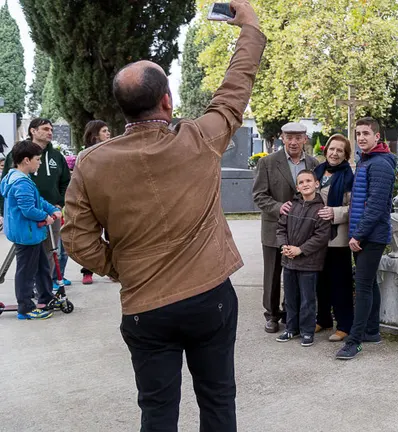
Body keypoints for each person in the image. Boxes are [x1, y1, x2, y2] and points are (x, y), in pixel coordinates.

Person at [61, 1, 265, 430]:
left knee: (156, 411)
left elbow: (76, 238)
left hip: (145, 307)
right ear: (167, 101)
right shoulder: (199, 138)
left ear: (123, 108)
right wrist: (250, 28)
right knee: (218, 401)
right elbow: (233, 93)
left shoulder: (92, 163)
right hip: (209, 297)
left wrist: (121, 266)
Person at [336, 117, 396, 360]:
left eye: (366, 134)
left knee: (361, 287)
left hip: (371, 235)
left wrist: (358, 235)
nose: (361, 137)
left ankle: (355, 340)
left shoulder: (380, 164)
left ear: (377, 136)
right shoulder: (366, 160)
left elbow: (376, 205)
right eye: (358, 133)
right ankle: (371, 331)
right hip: (363, 234)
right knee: (369, 284)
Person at [253, 122, 319, 333]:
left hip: (303, 231)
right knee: (273, 274)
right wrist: (279, 207)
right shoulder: (268, 163)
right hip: (275, 228)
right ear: (282, 138)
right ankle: (272, 315)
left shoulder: (313, 163)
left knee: (297, 273)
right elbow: (259, 195)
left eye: (298, 137)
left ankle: (291, 313)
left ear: (305, 139)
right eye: (289, 137)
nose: (293, 141)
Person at [1, 118, 71, 286]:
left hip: (50, 211)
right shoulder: (17, 154)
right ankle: (29, 289)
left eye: (51, 129)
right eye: (45, 128)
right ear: (33, 130)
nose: (50, 132)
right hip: (25, 215)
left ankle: (47, 286)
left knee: (50, 252)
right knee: (28, 254)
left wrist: (58, 204)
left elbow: (65, 182)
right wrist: (2, 212)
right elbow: (5, 183)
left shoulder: (56, 156)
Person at [0, 140, 62, 320]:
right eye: (38, 159)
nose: (40, 163)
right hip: (27, 234)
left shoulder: (16, 177)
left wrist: (52, 209)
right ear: (26, 160)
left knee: (42, 266)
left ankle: (46, 296)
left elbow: (37, 201)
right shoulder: (21, 183)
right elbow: (29, 209)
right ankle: (25, 307)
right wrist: (45, 217)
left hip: (31, 234)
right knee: (26, 272)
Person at [274, 169, 331, 347]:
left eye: (308, 181)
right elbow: (281, 228)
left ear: (316, 184)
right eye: (301, 182)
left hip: (309, 263)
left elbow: (321, 237)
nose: (305, 184)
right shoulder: (292, 206)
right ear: (297, 187)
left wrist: (300, 249)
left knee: (307, 299)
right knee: (290, 298)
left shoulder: (321, 209)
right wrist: (284, 246)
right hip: (289, 261)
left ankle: (307, 331)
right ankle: (291, 328)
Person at [314, 134, 355, 342]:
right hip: (317, 237)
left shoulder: (349, 176)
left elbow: (355, 208)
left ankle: (344, 324)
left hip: (337, 238)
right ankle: (323, 318)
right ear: (326, 150)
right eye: (332, 149)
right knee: (320, 281)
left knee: (340, 282)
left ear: (346, 155)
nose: (335, 153)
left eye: (340, 150)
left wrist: (335, 213)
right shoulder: (317, 172)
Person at [77, 120, 111, 285]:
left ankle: (113, 268)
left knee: (112, 236)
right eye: (104, 131)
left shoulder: (113, 152)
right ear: (94, 135)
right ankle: (87, 271)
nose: (108, 133)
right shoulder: (84, 155)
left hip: (110, 199)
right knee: (89, 236)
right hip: (91, 200)